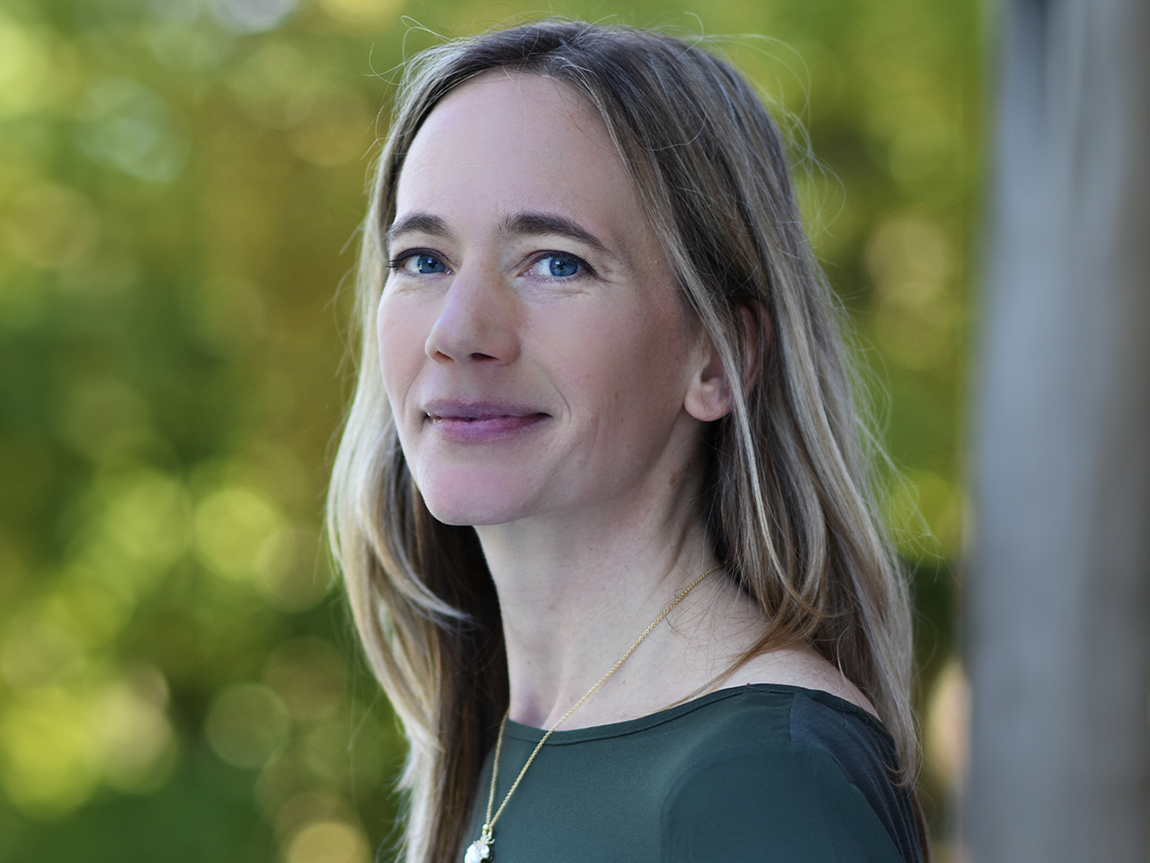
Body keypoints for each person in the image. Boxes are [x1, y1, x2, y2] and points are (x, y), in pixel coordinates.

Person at [327, 19, 928, 863]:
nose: (459, 331)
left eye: (555, 262)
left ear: (719, 357)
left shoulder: (763, 782)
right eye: (423, 259)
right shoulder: (515, 738)